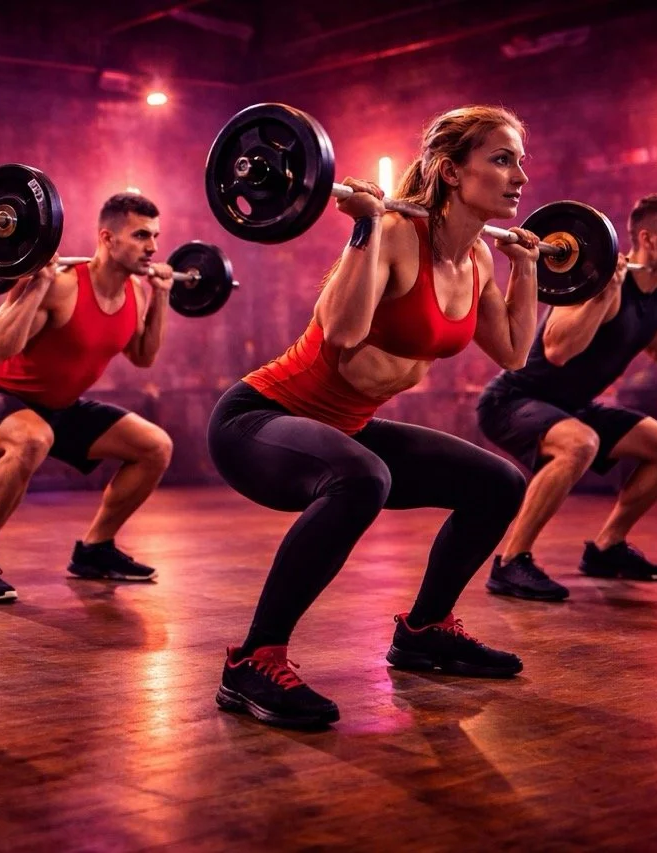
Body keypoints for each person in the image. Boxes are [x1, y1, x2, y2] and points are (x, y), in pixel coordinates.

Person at [207, 106, 541, 729]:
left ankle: (425, 632)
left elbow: (515, 351)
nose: (520, 174)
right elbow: (343, 329)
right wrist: (363, 230)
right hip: (259, 420)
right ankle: (253, 660)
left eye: (519, 160)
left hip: (345, 428)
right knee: (362, 478)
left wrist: (528, 270)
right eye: (502, 159)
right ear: (449, 171)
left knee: (498, 484)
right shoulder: (391, 233)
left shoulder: (478, 261)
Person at [0, 193, 175, 602]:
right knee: (32, 439)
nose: (153, 247)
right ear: (107, 238)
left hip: (57, 408)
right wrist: (37, 286)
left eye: (156, 236)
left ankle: (95, 551)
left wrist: (161, 296)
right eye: (141, 235)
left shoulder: (137, 292)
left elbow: (143, 357)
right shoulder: (64, 284)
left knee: (154, 447)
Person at [476, 193, 657, 601]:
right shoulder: (595, 278)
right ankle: (510, 562)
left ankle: (606, 549)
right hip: (514, 398)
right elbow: (559, 351)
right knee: (580, 443)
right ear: (647, 239)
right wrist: (602, 295)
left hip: (572, 407)